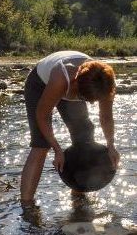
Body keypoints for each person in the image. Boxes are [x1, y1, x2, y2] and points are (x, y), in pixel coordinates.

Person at [21, 50, 120, 206]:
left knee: (85, 136)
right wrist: (57, 149)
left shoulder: (105, 82)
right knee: (41, 144)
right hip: (40, 84)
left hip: (75, 85)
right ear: (76, 83)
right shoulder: (61, 77)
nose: (92, 104)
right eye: (86, 99)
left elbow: (106, 117)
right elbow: (42, 116)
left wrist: (111, 145)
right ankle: (27, 205)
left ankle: (78, 195)